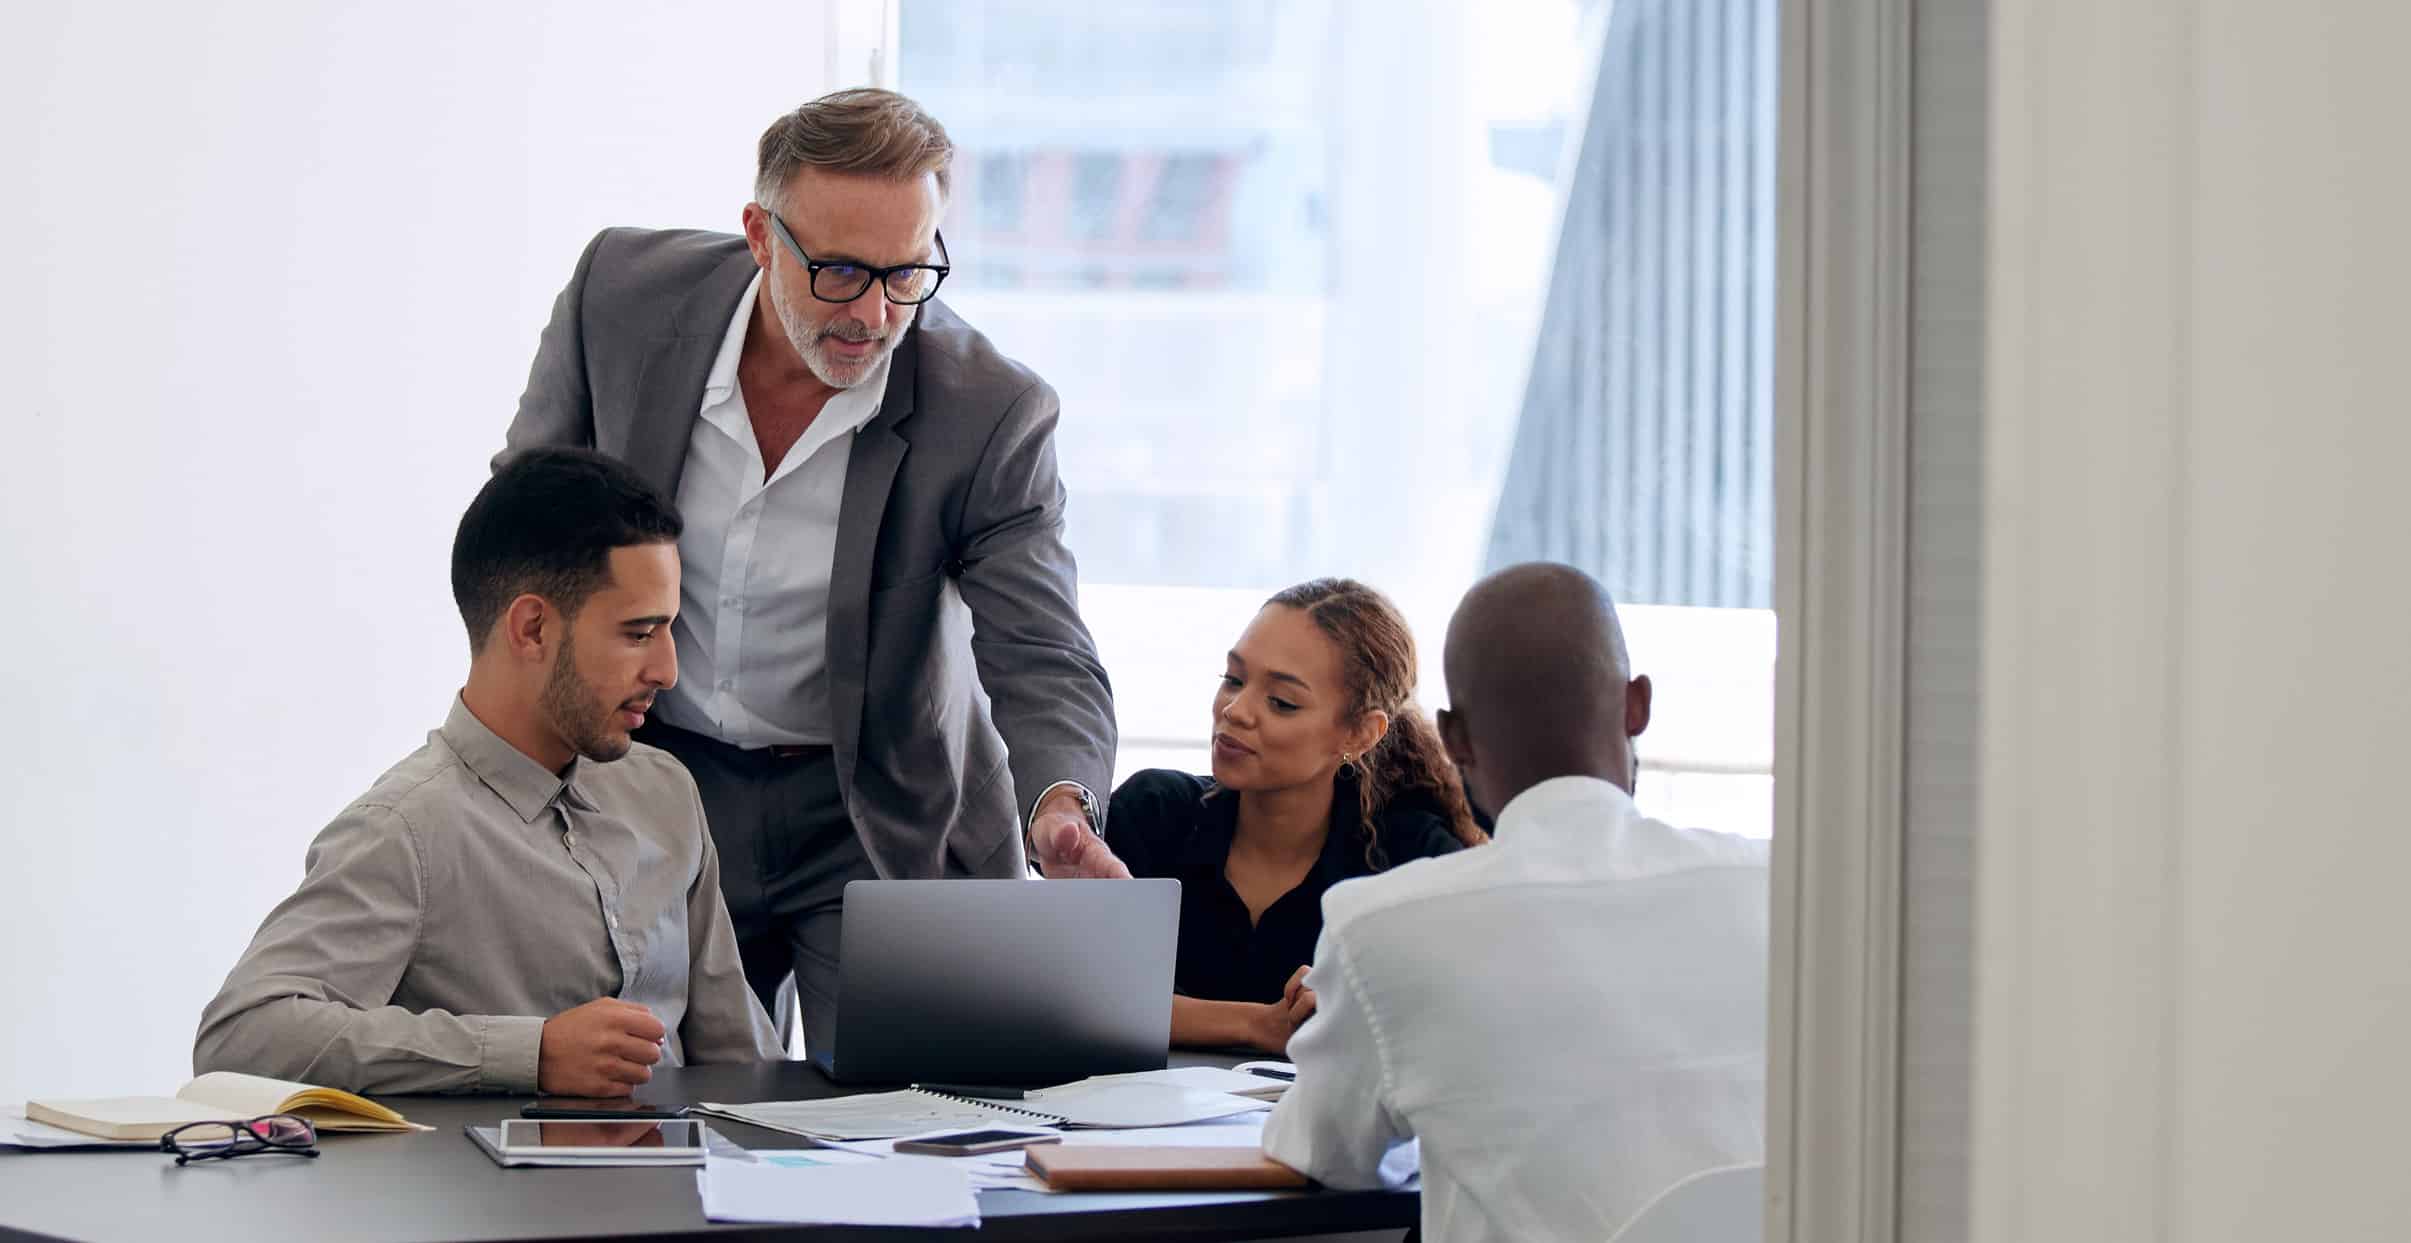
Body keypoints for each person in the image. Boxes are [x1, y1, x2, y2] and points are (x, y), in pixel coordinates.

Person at [498, 88, 1116, 1055]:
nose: (873, 313)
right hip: (655, 782)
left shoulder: (988, 412)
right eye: (837, 271)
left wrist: (1061, 808)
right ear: (759, 234)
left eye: (908, 272)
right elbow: (525, 524)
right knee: (651, 1113)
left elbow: (1040, 647)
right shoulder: (621, 296)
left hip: (871, 812)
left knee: (907, 1126)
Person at [194, 449, 781, 1095]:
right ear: (531, 629)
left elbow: (739, 1053)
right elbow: (241, 1037)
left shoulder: (663, 789)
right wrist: (528, 1053)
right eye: (639, 633)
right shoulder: (406, 831)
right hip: (511, 1190)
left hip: (689, 1185)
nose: (668, 670)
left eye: (669, 628)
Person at [1260, 563, 1770, 1242]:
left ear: (1453, 738)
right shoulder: (1770, 886)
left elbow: (1321, 1153)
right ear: (1637, 704)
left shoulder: (1384, 927)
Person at [1035, 579, 1483, 1054]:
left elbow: (1461, 1019)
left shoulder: (1413, 859)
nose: (1235, 710)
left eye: (1281, 703)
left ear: (1360, 733)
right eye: (1233, 679)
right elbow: (1073, 998)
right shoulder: (1154, 812)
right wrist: (1259, 1024)